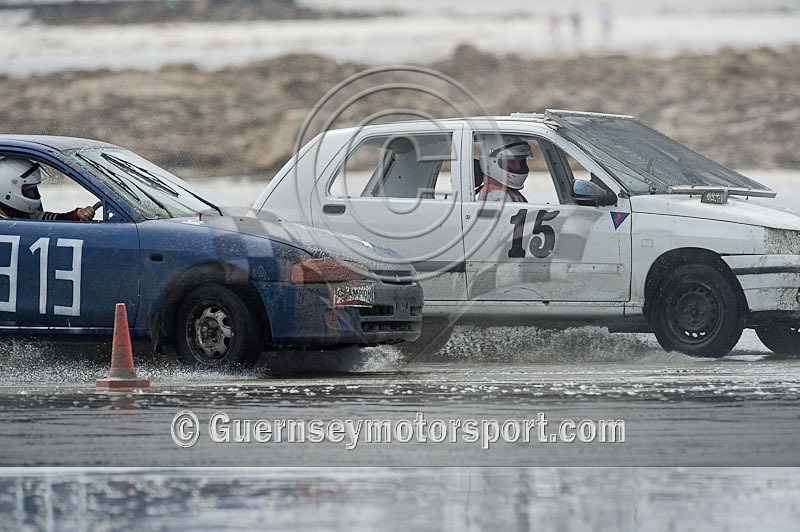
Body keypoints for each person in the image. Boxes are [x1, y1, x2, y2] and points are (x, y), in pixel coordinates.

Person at [0, 157, 96, 221]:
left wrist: (76, 214)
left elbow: (48, 220)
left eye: (34, 189)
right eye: (29, 189)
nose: (34, 194)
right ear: (8, 189)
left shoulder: (22, 213)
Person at [475, 135, 533, 202]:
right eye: (512, 162)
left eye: (521, 162)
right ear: (491, 164)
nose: (518, 167)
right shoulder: (497, 195)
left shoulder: (503, 191)